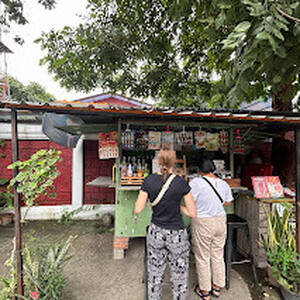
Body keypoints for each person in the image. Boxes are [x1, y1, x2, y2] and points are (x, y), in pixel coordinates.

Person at [135, 147, 197, 300]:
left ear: (158, 161)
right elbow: (192, 213)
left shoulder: (148, 180)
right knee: (180, 276)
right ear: (174, 162)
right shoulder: (181, 183)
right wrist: (177, 206)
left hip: (156, 232)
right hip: (177, 234)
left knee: (155, 274)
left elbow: (137, 209)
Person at [189, 157, 233, 300]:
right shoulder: (223, 183)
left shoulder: (195, 182)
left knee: (203, 256)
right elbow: (227, 202)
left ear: (199, 170)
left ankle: (205, 290)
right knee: (217, 254)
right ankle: (217, 287)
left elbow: (190, 201)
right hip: (220, 221)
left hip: (203, 222)